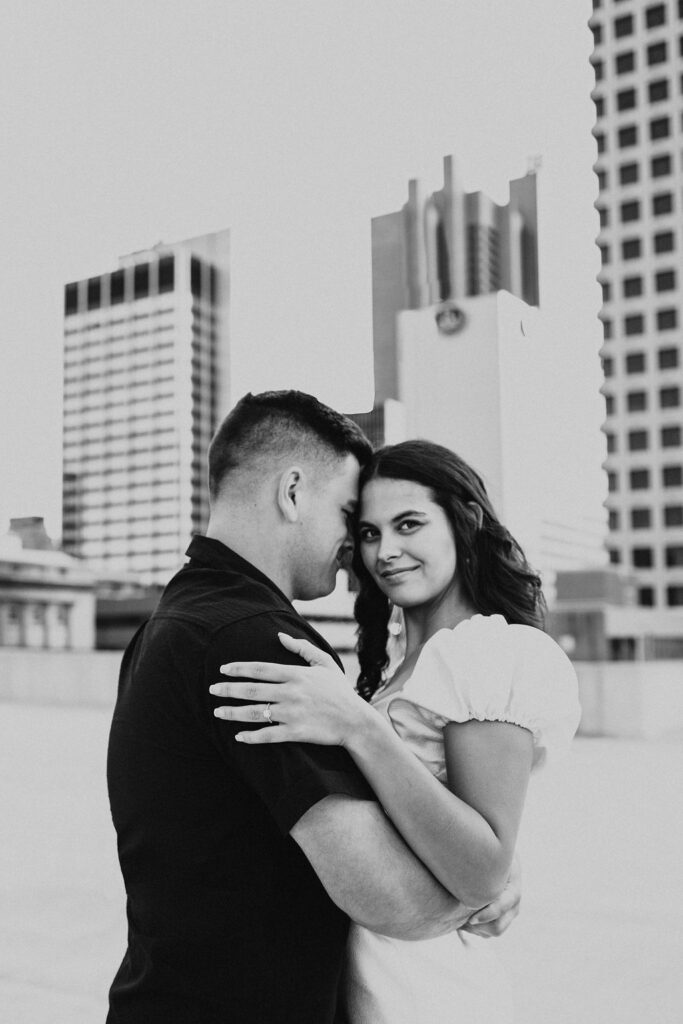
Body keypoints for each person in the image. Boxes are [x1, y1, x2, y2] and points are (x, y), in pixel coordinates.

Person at [106, 394, 520, 1024]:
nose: (356, 548)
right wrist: (483, 892)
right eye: (351, 516)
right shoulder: (255, 641)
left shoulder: (171, 624)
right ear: (293, 492)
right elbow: (390, 899)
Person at [210, 438, 581, 1024]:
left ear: (462, 524)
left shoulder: (487, 653)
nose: (386, 551)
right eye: (369, 532)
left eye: (409, 524)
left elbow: (483, 868)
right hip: (360, 979)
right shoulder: (394, 668)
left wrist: (361, 728)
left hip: (429, 990)